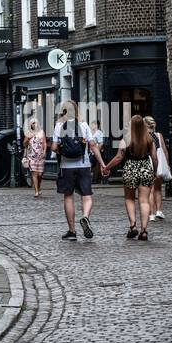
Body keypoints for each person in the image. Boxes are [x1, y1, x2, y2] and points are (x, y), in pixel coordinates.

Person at [52, 100, 107, 241]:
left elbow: (53, 147)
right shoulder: (83, 125)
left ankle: (72, 231)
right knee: (86, 196)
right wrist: (102, 164)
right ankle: (85, 217)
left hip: (66, 167)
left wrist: (60, 149)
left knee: (68, 196)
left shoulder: (59, 125)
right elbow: (93, 146)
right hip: (84, 165)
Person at [101, 114, 158, 240]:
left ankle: (133, 226)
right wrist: (154, 172)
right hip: (145, 169)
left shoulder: (126, 139)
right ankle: (144, 231)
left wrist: (106, 167)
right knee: (144, 200)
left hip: (130, 169)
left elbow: (119, 157)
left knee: (129, 199)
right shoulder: (149, 139)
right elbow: (154, 158)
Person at [144, 115, 169, 221]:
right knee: (158, 188)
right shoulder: (159, 135)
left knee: (150, 190)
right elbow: (165, 151)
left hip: (148, 162)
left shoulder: (143, 136)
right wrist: (167, 165)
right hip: (159, 163)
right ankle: (159, 211)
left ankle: (151, 215)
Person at [23, 119, 47, 198]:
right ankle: (36, 191)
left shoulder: (41, 132)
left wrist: (44, 152)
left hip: (40, 156)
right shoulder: (29, 133)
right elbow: (24, 144)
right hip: (31, 156)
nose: (34, 124)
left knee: (40, 174)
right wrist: (28, 139)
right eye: (33, 123)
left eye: (35, 123)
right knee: (34, 173)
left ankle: (39, 187)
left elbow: (44, 143)